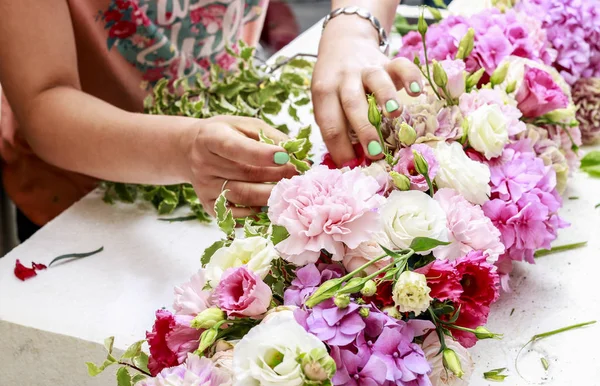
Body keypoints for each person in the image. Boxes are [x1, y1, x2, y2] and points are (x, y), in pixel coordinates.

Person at [0, 0, 422, 242]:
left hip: (233, 107)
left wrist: (353, 28)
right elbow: (43, 102)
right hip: (86, 190)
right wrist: (181, 149)